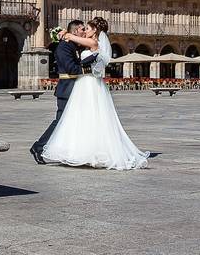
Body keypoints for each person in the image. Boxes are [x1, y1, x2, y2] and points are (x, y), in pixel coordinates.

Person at [41, 17, 149, 170]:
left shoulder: (93, 43)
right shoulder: (85, 44)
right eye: (83, 29)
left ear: (95, 31)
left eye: (88, 29)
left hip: (89, 83)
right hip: (84, 84)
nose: (85, 31)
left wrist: (65, 33)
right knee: (84, 118)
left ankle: (93, 152)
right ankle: (84, 150)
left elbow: (72, 38)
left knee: (92, 116)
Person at [30, 20, 96, 164]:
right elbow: (71, 69)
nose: (84, 32)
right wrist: (91, 68)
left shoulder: (72, 45)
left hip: (75, 89)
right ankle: (38, 147)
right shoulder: (64, 47)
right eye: (82, 29)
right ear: (75, 31)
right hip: (66, 89)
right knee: (60, 121)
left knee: (75, 121)